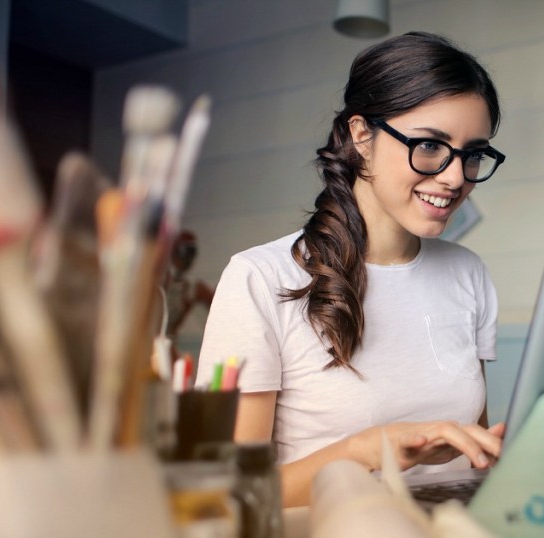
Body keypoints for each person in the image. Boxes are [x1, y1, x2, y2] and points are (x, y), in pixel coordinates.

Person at [196, 31, 507, 507]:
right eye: (429, 146)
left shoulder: (468, 273)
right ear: (362, 135)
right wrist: (366, 451)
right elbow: (230, 493)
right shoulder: (259, 278)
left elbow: (474, 450)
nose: (455, 177)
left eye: (473, 154)